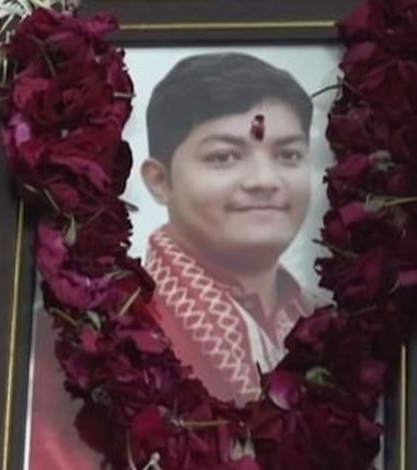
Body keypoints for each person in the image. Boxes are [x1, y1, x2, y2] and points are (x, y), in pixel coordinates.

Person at [140, 52, 316, 403]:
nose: (265, 180)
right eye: (224, 157)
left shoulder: (328, 320)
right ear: (160, 181)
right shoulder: (114, 329)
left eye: (288, 155)